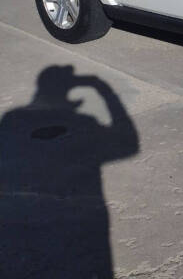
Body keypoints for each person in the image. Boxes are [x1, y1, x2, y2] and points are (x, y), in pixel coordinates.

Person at [0, 65, 139, 279]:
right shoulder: (85, 121)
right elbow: (129, 144)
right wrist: (105, 92)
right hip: (83, 231)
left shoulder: (12, 118)